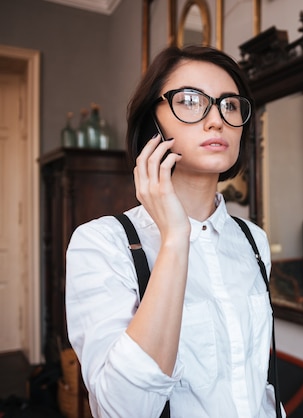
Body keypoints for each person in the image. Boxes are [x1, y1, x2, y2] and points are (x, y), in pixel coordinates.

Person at [65, 45, 282, 417]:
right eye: (191, 101)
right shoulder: (102, 244)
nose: (217, 120)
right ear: (154, 122)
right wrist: (175, 239)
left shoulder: (252, 240)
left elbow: (256, 382)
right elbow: (122, 410)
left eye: (230, 105)